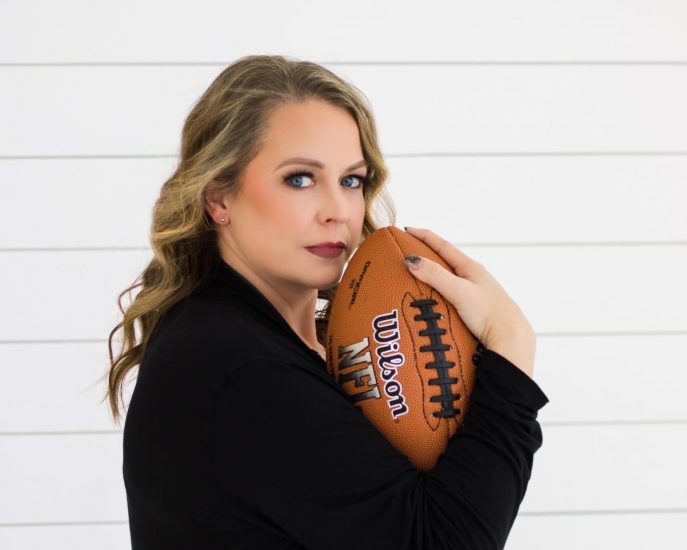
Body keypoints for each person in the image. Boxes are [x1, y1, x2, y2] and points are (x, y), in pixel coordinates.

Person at [106, 54, 549, 550]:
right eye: (300, 178)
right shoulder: (238, 366)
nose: (339, 211)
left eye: (351, 180)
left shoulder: (268, 341)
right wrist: (511, 347)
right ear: (219, 198)